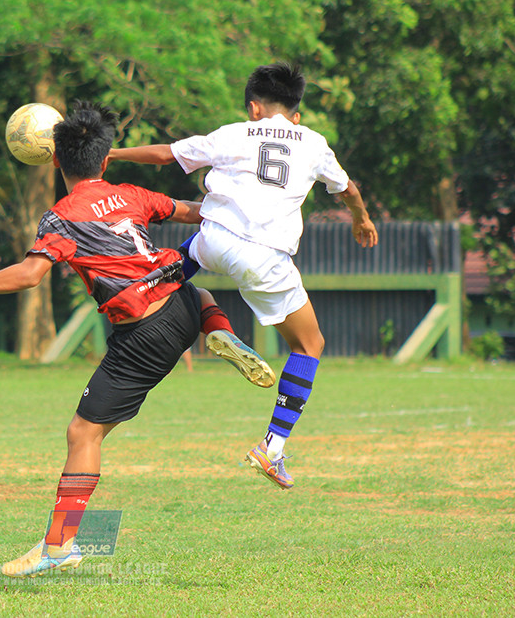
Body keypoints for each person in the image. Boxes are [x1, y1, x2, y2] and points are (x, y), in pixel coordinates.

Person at [0, 100, 275, 578]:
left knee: (82, 433)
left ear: (54, 160)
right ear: (105, 160)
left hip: (143, 332)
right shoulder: (132, 194)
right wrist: (246, 212)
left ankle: (59, 544)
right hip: (182, 303)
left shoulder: (63, 216)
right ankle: (218, 331)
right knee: (200, 293)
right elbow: (191, 211)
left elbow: (30, 275)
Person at [109, 62, 379, 490]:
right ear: (296, 112)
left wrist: (110, 156)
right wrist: (361, 220)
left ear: (254, 108)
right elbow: (348, 190)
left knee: (181, 264)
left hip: (214, 237)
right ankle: (271, 449)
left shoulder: (233, 133)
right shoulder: (313, 142)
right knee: (309, 344)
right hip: (265, 260)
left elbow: (165, 155)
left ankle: (170, 302)